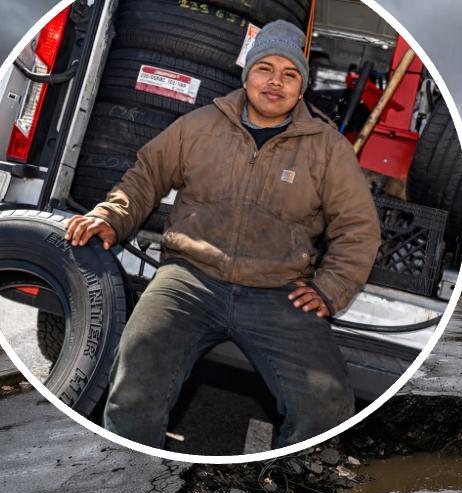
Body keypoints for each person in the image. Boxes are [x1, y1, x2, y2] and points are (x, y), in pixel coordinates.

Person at [62, 21, 381, 449]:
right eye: (265, 68)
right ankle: (126, 483)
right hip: (189, 279)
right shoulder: (200, 125)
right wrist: (110, 216)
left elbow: (359, 227)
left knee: (326, 404)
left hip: (277, 290)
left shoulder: (326, 148)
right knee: (135, 376)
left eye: (290, 75)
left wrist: (330, 288)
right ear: (247, 75)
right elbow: (145, 177)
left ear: (301, 89)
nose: (275, 82)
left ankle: (283, 491)